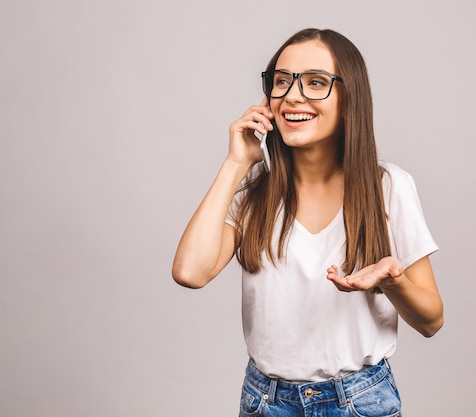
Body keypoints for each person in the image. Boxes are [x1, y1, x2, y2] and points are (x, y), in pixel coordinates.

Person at [172, 28, 443, 417]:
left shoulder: (388, 187)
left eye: (316, 82)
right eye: (282, 82)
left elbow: (432, 320)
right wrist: (236, 164)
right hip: (267, 402)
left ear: (349, 100)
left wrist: (392, 280)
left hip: (360, 402)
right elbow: (189, 272)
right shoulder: (252, 190)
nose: (293, 96)